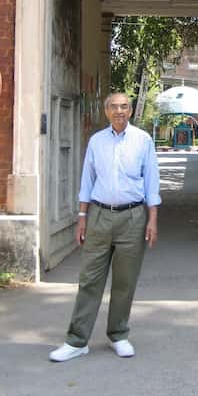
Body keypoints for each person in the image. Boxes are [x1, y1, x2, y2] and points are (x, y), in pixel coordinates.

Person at [49, 92, 161, 362]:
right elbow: (87, 181)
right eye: (113, 106)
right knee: (90, 279)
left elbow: (151, 182)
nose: (119, 111)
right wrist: (82, 217)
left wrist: (153, 220)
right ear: (106, 111)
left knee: (125, 281)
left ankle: (118, 334)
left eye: (124, 106)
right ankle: (77, 340)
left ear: (131, 111)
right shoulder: (96, 141)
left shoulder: (142, 140)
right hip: (99, 216)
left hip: (133, 218)